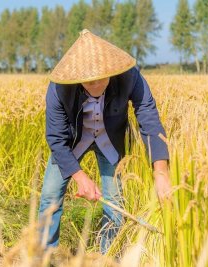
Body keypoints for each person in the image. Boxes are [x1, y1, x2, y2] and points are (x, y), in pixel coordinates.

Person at [38, 29, 171, 254]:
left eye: (101, 79)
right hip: (71, 143)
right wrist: (80, 177)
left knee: (115, 201)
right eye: (88, 83)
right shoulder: (59, 88)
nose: (96, 86)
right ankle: (43, 256)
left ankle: (107, 256)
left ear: (112, 70)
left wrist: (161, 173)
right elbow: (56, 139)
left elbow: (148, 118)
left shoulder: (130, 76)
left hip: (111, 141)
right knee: (50, 196)